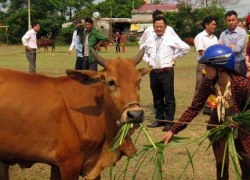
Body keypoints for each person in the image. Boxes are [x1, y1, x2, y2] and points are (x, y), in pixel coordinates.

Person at [163, 44, 250, 179]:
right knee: (221, 165)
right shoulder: (208, 84)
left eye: (208, 66)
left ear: (220, 68)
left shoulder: (242, 84)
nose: (204, 70)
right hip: (218, 128)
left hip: (243, 130)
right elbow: (194, 108)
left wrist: (238, 120)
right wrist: (173, 130)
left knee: (247, 163)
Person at [143, 16, 190, 132]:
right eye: (156, 27)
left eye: (161, 26)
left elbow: (186, 48)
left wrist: (175, 56)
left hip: (166, 71)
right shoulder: (150, 38)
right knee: (157, 97)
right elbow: (143, 50)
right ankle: (160, 119)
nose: (159, 29)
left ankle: (169, 122)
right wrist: (148, 60)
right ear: (153, 27)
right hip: (154, 72)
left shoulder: (171, 38)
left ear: (165, 27)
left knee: (169, 98)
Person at [194, 16, 218, 115]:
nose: (214, 26)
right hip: (203, 65)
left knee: (212, 87)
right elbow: (201, 52)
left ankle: (208, 108)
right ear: (206, 25)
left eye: (215, 24)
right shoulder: (200, 37)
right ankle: (195, 107)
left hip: (213, 65)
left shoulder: (215, 38)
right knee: (200, 86)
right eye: (212, 24)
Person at [219, 10, 247, 76]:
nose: (231, 22)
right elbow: (219, 47)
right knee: (226, 85)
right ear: (226, 21)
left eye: (233, 20)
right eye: (229, 20)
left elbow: (238, 49)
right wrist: (231, 46)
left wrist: (226, 48)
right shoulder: (223, 34)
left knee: (240, 85)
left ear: (237, 20)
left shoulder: (242, 32)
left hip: (239, 63)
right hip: (225, 64)